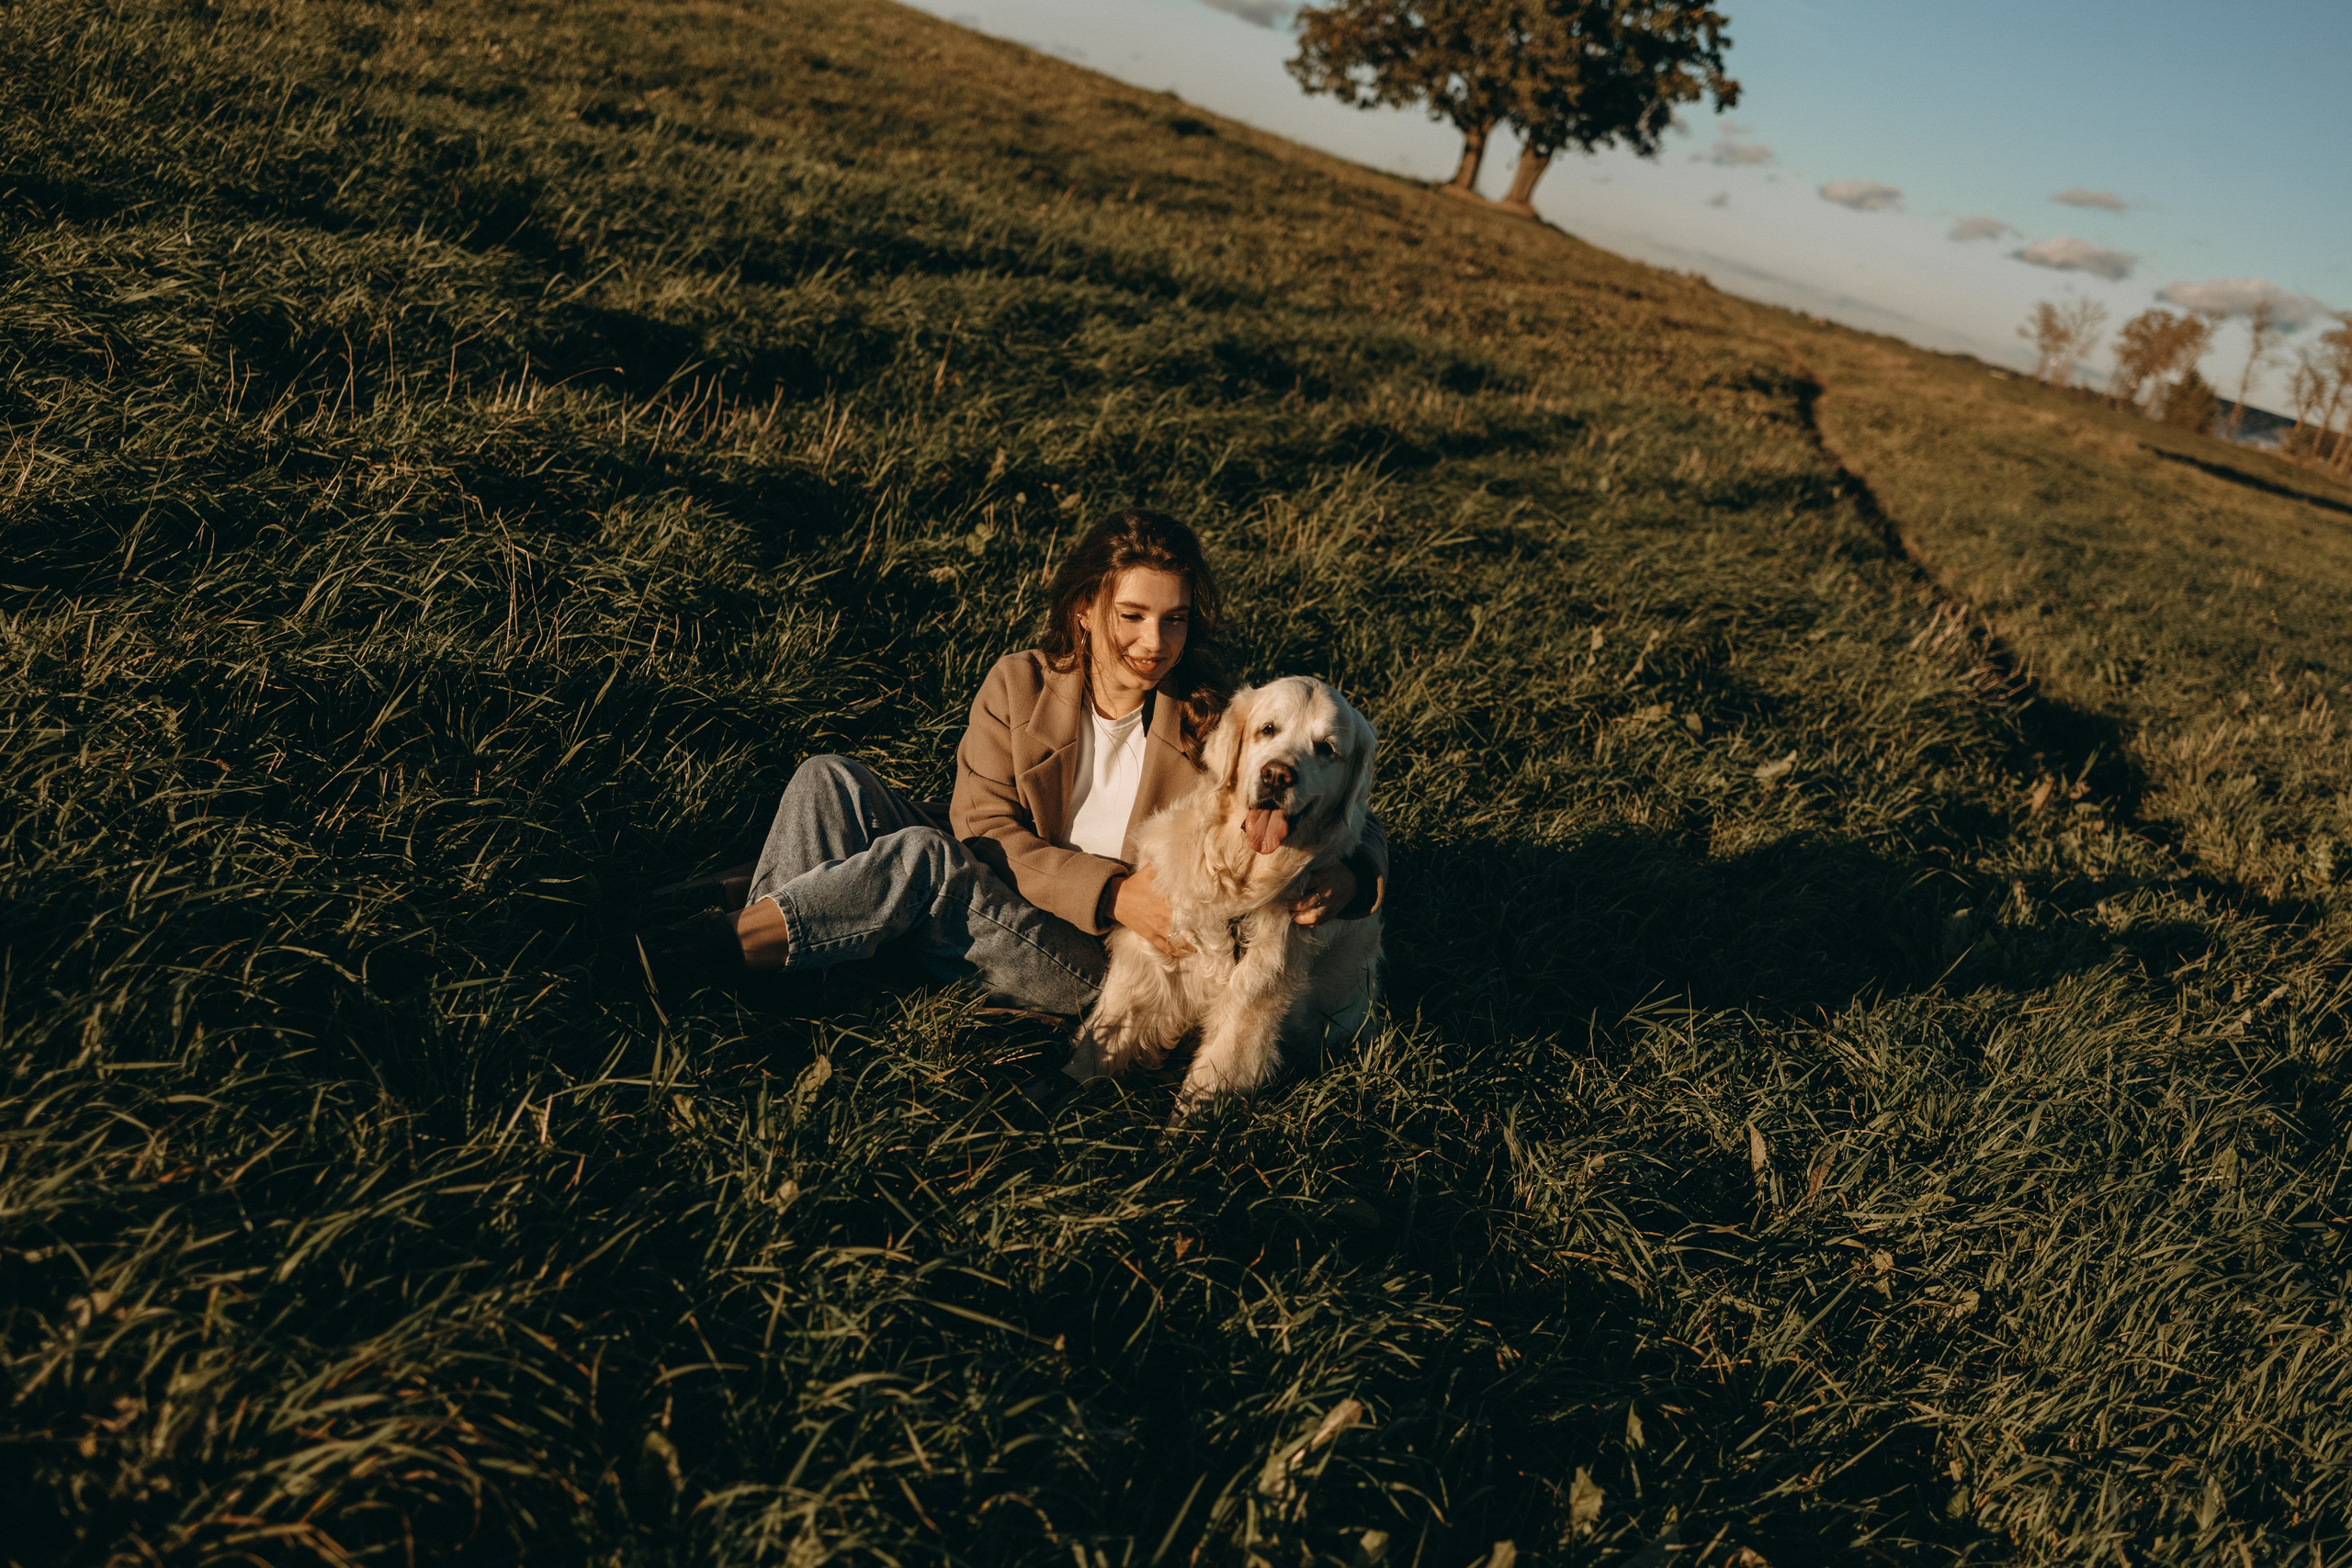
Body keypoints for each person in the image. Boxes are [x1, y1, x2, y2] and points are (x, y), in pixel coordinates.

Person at [642, 509, 1385, 1021]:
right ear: (1086, 610)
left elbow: (1346, 806)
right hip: (998, 883)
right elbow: (983, 824)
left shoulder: (1211, 721)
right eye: (1133, 616)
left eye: (1175, 618)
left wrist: (1355, 880)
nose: (1155, 641)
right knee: (826, 777)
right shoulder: (1019, 683)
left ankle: (714, 951)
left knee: (920, 859)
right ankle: (774, 977)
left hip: (1099, 959)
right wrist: (1110, 887)